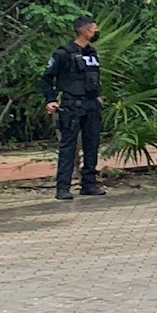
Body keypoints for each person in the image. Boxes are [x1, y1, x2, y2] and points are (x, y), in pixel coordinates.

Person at [42, 15, 105, 201]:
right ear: (84, 31)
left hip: (91, 104)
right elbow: (47, 77)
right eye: (94, 29)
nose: (96, 32)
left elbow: (94, 78)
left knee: (92, 144)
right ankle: (63, 187)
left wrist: (98, 96)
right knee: (68, 146)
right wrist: (50, 99)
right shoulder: (63, 53)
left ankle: (89, 184)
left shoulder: (92, 53)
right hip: (72, 104)